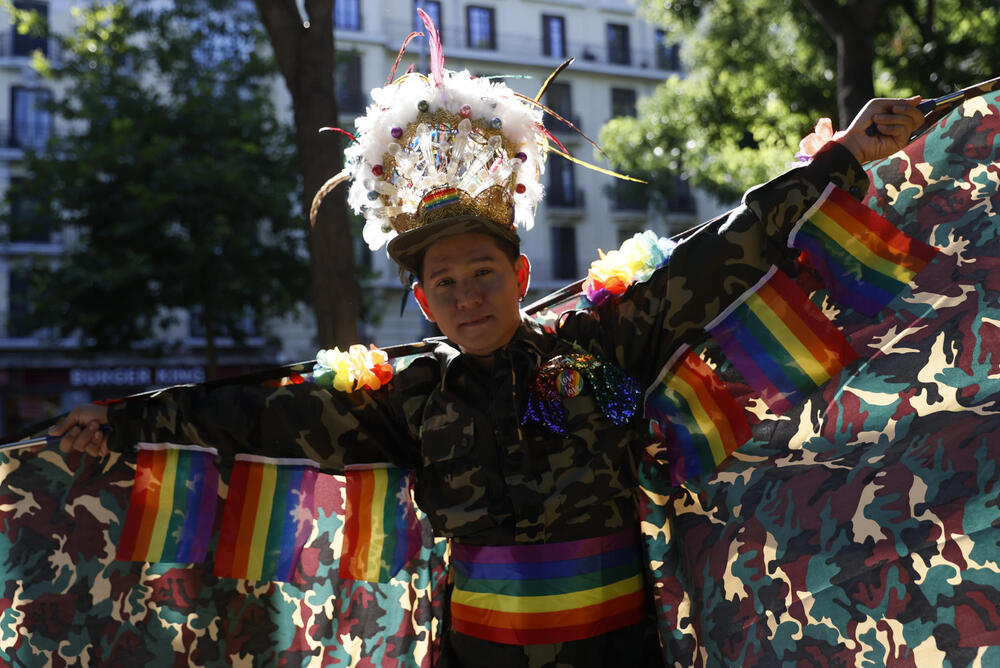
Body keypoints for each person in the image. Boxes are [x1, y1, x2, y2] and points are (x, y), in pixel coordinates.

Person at [48, 47, 924, 668]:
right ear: (423, 301)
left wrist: (840, 157)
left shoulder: (605, 340)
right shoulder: (408, 395)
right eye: (446, 284)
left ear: (521, 273)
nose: (468, 295)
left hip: (619, 647)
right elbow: (258, 412)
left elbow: (721, 251)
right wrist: (125, 423)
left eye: (483, 273)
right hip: (477, 653)